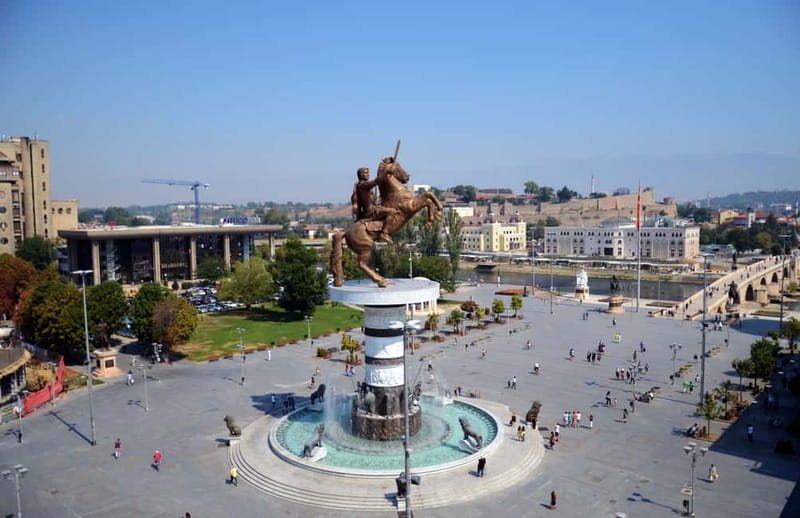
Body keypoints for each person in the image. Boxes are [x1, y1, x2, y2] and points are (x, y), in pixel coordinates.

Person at [351, 166, 395, 243]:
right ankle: (384, 233)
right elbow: (376, 181)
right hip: (371, 211)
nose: (368, 174)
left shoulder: (361, 185)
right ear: (361, 175)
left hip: (373, 207)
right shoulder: (363, 185)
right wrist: (386, 171)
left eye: (368, 173)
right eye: (366, 173)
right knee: (391, 211)